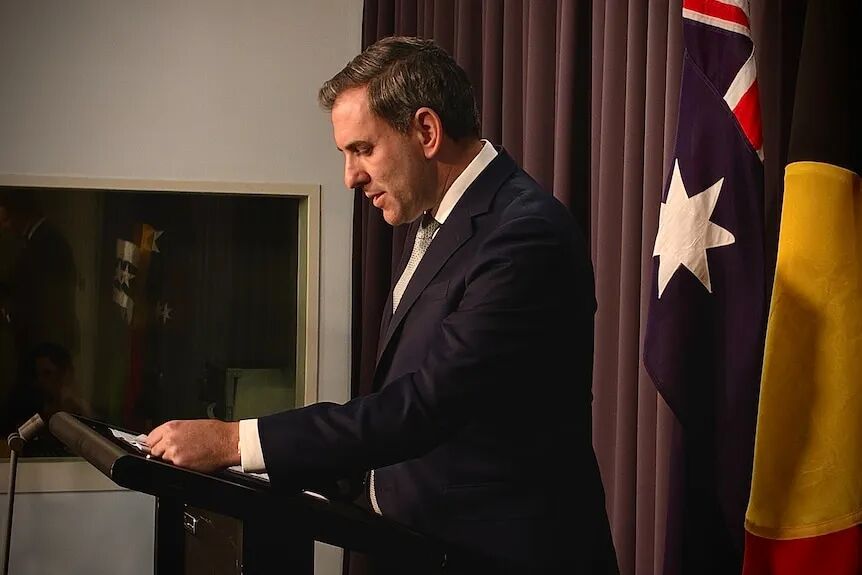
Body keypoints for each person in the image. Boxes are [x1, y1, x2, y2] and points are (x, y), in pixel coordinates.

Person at [147, 36, 618, 573]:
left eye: (362, 150)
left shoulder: (523, 234)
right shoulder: (437, 220)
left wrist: (237, 441)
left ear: (426, 131)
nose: (350, 177)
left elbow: (424, 405)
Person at [0, 189, 79, 435]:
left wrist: (10, 314)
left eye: (4, 216)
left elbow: (45, 303)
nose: (3, 224)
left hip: (46, 345)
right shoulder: (38, 242)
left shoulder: (46, 244)